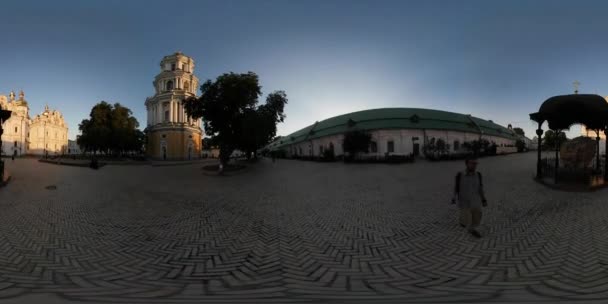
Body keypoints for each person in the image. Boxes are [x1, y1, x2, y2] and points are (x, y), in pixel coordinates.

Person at [452, 156, 488, 238]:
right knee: (467, 219)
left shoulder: (478, 175)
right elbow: (456, 187)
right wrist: (453, 197)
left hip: (476, 202)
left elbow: (480, 188)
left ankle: (465, 222)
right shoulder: (460, 175)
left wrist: (484, 199)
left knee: (477, 218)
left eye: (475, 164)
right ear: (467, 164)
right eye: (472, 163)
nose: (474, 165)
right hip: (464, 203)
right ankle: (471, 230)